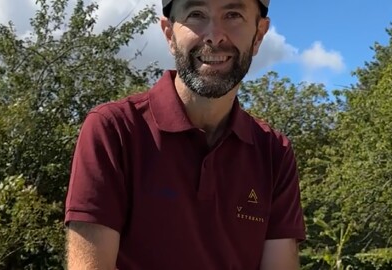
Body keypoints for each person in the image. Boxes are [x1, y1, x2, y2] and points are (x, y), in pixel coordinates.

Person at [64, 0, 306, 269]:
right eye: (196, 14)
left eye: (233, 14)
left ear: (259, 34)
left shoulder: (274, 152)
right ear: (169, 33)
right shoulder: (114, 130)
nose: (214, 35)